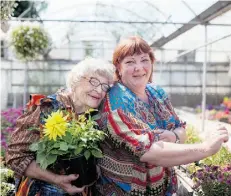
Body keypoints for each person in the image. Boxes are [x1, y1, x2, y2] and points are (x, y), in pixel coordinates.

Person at [95, 36, 229, 196]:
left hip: (164, 187)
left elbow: (180, 128)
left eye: (144, 60)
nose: (139, 67)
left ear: (152, 62)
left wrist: (174, 136)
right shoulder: (115, 102)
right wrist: (206, 148)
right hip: (124, 190)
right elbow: (150, 153)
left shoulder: (156, 92)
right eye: (130, 62)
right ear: (118, 67)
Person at [6, 57, 114, 196]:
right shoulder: (48, 107)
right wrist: (56, 179)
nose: (99, 90)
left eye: (104, 86)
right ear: (76, 80)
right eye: (94, 81)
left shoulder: (95, 116)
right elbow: (15, 157)